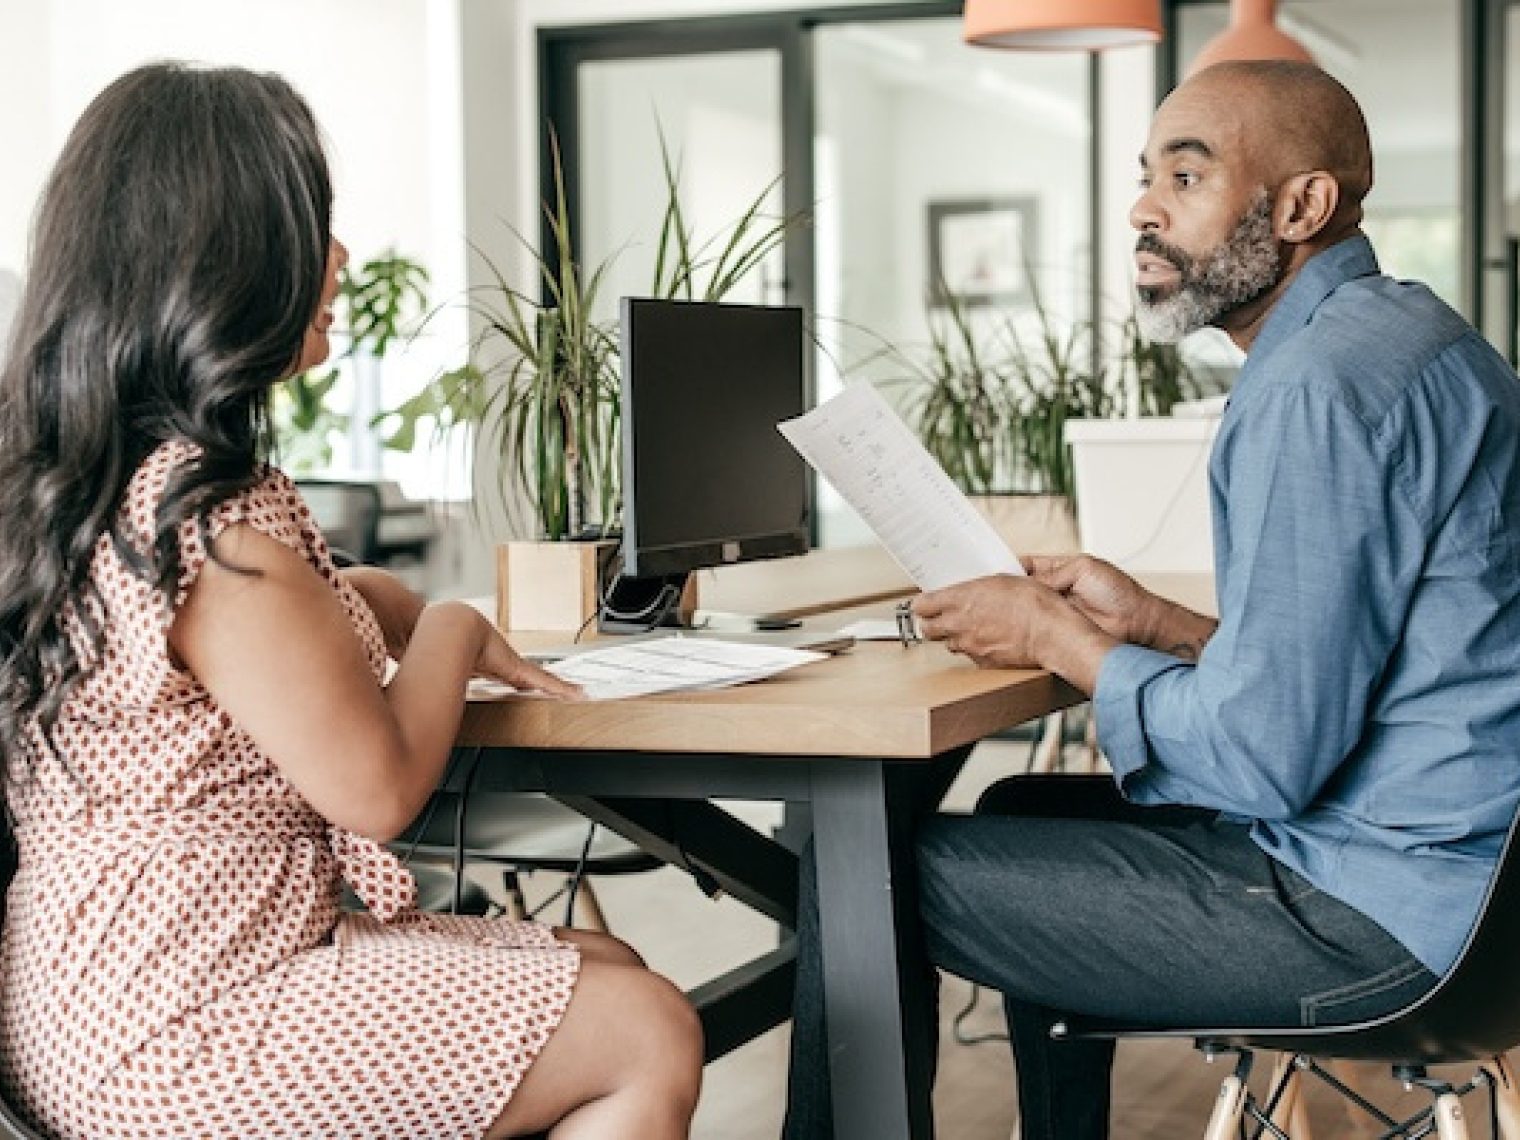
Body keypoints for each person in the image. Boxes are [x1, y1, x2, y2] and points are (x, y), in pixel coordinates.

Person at [785, 60, 1520, 1139]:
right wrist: (1148, 624)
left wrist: (1053, 636)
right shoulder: (1418, 339)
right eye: (1145, 178)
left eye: (1186, 176)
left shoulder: (1312, 388)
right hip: (1474, 905)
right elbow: (1364, 660)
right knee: (1014, 811)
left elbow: (1264, 757)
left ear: (1299, 207)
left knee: (859, 875)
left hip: (1377, 925)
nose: (1142, 208)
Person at [0, 63, 702, 1140]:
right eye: (314, 226)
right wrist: (457, 625)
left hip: (91, 992)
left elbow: (286, 636)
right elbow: (377, 790)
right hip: (176, 1024)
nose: (339, 259)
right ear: (224, 263)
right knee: (645, 1029)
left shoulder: (115, 485)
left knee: (598, 962)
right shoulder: (215, 531)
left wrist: (379, 604)